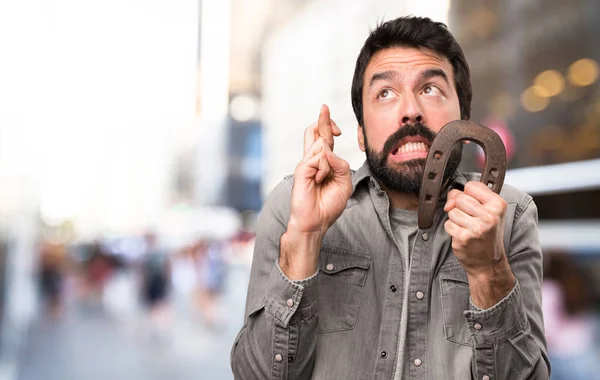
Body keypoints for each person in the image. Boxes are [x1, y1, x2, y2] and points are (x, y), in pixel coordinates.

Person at [231, 16, 549, 379]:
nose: (410, 109)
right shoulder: (294, 205)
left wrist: (489, 271)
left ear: (464, 116)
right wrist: (303, 239)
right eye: (385, 93)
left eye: (430, 88)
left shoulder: (512, 216)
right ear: (362, 134)